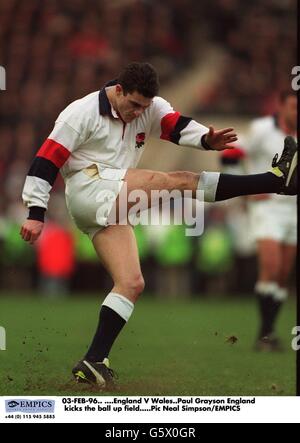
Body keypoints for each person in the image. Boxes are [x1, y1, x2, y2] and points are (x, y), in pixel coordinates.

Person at [20, 62, 297, 389]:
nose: (139, 112)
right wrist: (36, 212)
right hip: (87, 189)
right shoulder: (79, 113)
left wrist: (207, 140)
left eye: (145, 106)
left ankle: (93, 360)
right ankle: (274, 180)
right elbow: (46, 160)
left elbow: (175, 126)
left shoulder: (149, 108)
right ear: (118, 90)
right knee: (178, 181)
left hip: (113, 199)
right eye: (134, 104)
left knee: (132, 283)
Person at [244, 91, 297, 351]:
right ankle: (264, 334)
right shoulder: (261, 129)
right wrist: (248, 189)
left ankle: (269, 333)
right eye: (295, 107)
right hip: (267, 206)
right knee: (272, 267)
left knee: (283, 276)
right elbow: (237, 154)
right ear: (282, 106)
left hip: (293, 210)